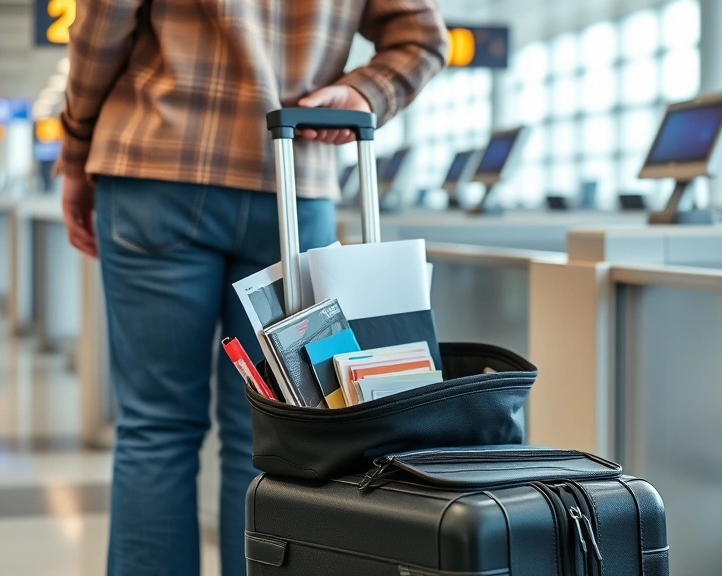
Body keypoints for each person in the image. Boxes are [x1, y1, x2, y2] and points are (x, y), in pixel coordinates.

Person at [58, 1, 447, 574]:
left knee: (156, 424)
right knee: (272, 430)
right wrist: (365, 92)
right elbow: (423, 37)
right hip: (291, 174)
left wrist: (75, 151)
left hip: (157, 164)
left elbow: (104, 20)